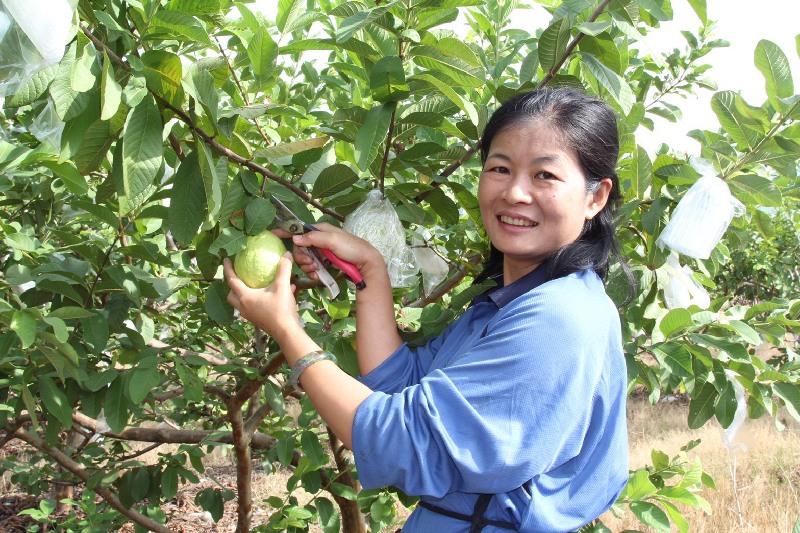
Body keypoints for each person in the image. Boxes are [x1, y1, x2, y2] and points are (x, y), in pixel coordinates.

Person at [224, 87, 633, 532]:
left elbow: (403, 441)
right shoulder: (508, 304)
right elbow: (400, 384)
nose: (515, 192)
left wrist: (287, 330)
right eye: (500, 168)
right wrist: (371, 273)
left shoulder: (560, 319)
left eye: (545, 176)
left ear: (595, 197)